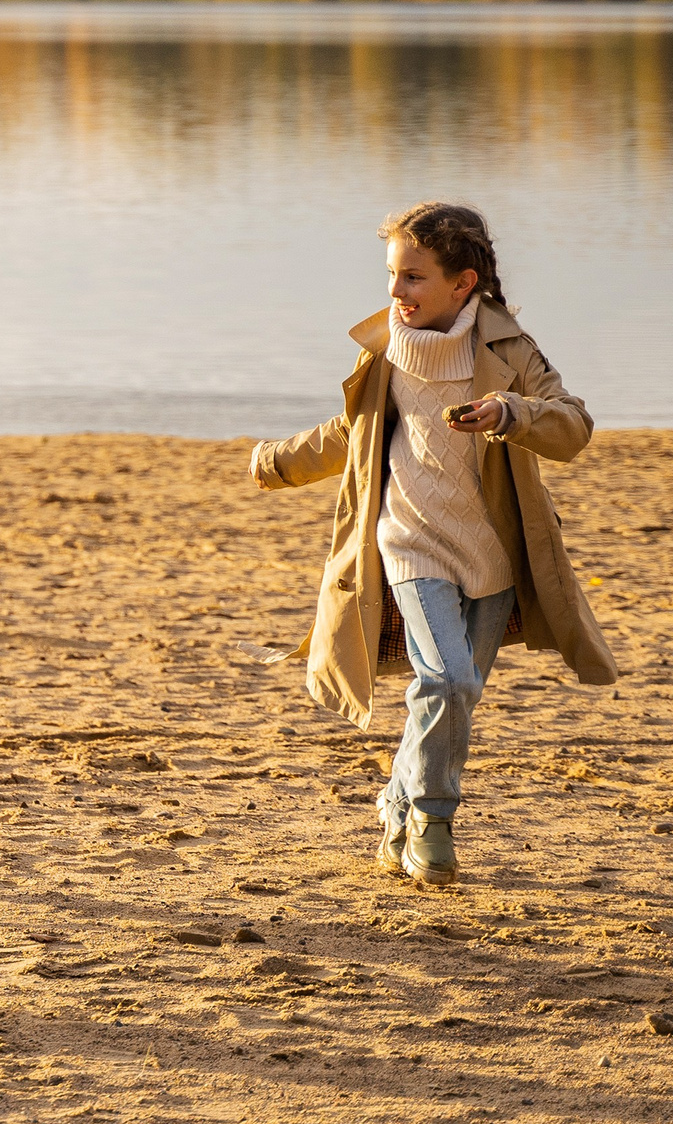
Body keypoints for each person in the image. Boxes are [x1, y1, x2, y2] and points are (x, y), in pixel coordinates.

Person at [249, 202, 615, 888]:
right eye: (392, 274)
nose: (395, 292)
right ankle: (433, 820)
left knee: (455, 694)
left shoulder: (509, 353)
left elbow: (573, 424)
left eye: (412, 276)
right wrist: (277, 461)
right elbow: (350, 433)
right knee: (447, 678)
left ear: (462, 283)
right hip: (410, 545)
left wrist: (511, 412)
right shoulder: (384, 349)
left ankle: (396, 800)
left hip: (493, 554)